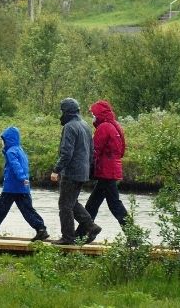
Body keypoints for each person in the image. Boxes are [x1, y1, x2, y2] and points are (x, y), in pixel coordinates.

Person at [0, 126, 49, 242]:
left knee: (0, 209)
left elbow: (16, 166)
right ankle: (41, 229)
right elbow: (24, 166)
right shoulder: (20, 150)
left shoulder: (11, 152)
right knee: (28, 210)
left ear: (8, 140)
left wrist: (21, 177)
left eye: (3, 140)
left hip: (11, 186)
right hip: (23, 188)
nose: (2, 142)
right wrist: (24, 179)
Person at [49, 97, 101, 245]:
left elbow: (66, 153)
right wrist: (88, 169)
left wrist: (56, 170)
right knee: (71, 203)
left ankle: (68, 237)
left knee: (64, 205)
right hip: (82, 172)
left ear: (66, 112)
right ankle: (91, 226)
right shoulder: (85, 125)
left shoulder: (70, 127)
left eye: (62, 111)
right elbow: (91, 151)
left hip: (71, 172)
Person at [76, 100, 127, 237]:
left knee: (114, 205)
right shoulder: (114, 126)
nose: (93, 116)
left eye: (94, 114)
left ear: (100, 114)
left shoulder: (103, 127)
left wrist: (84, 164)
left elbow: (94, 150)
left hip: (106, 172)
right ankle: (81, 234)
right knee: (93, 204)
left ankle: (133, 236)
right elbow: (121, 151)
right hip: (111, 170)